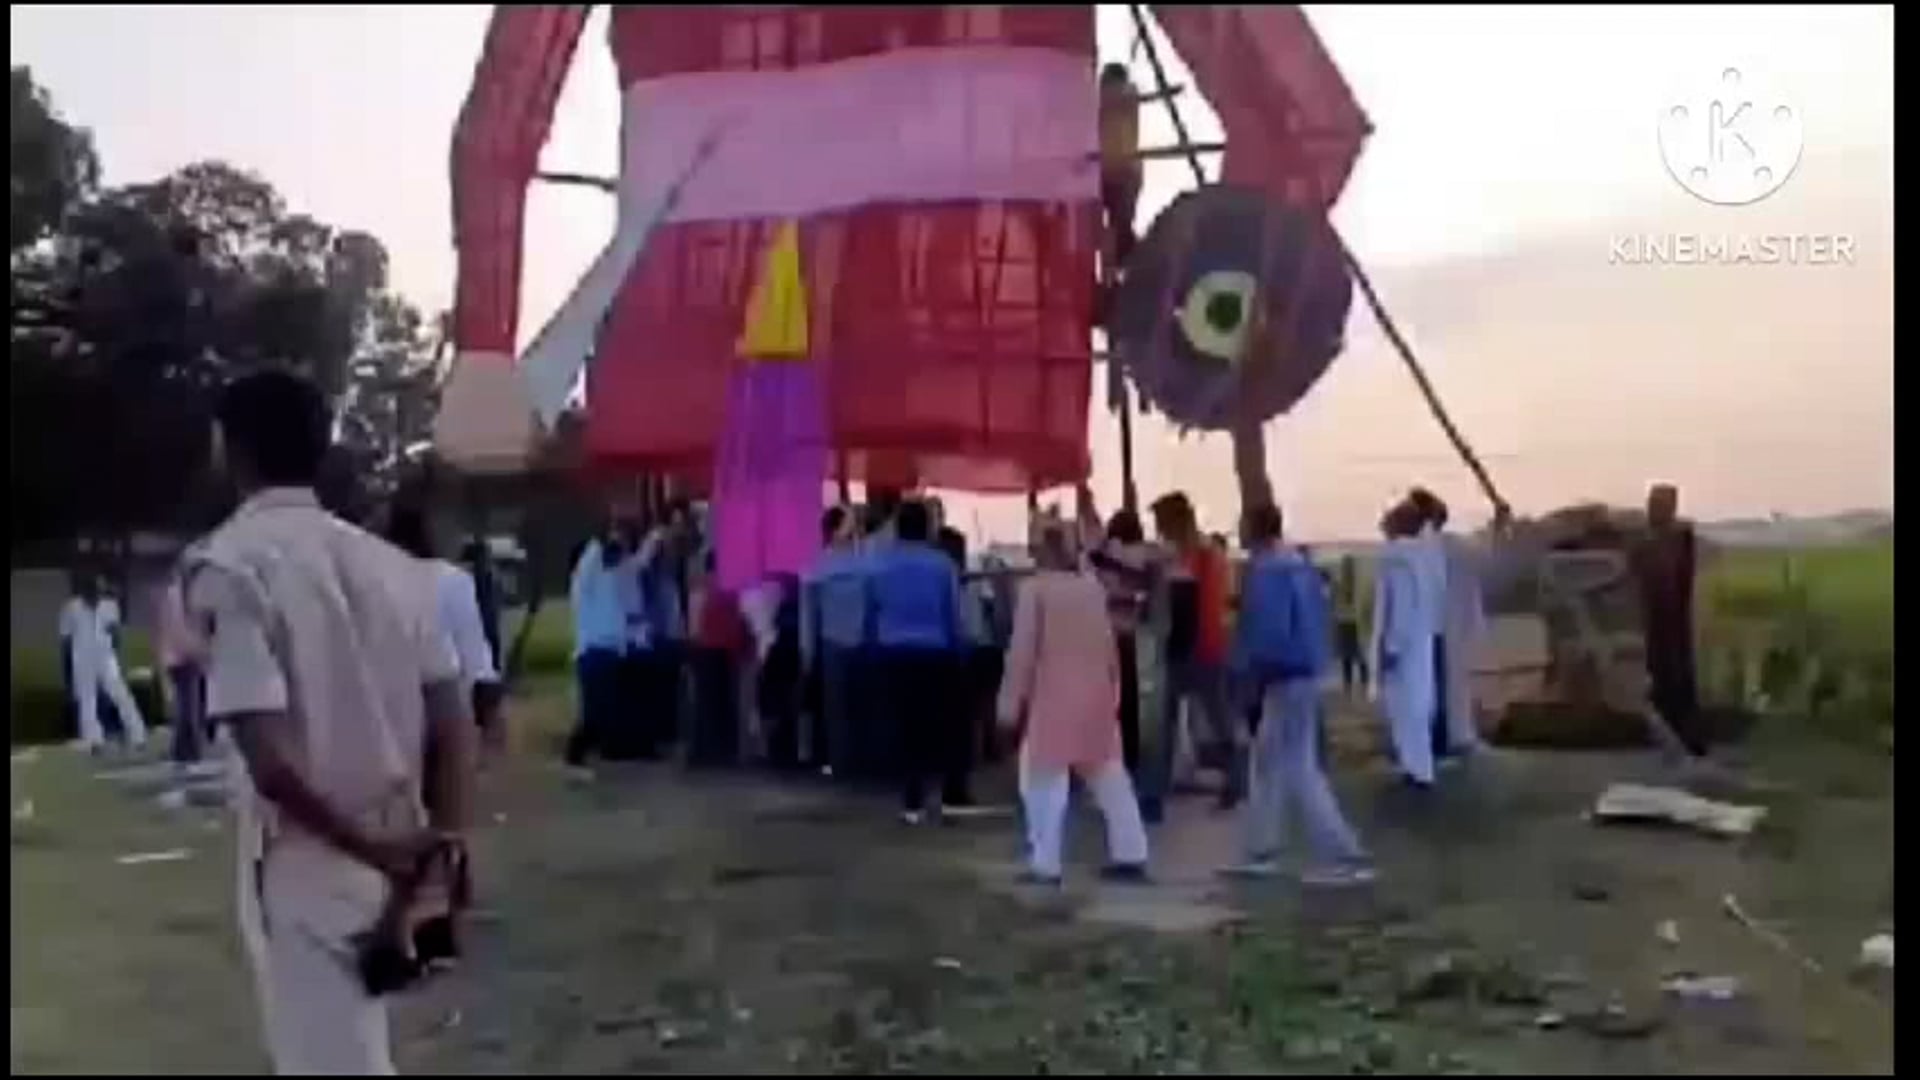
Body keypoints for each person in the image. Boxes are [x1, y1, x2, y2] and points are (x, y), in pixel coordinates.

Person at [182, 370, 475, 1075]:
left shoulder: (230, 565)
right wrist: (439, 847)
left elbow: (270, 765)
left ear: (233, 448)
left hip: (312, 856)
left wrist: (375, 851)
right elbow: (454, 723)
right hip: (403, 843)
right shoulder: (393, 567)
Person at [1221, 503, 1372, 885]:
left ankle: (1342, 854)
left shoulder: (1265, 573)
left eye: (1243, 523)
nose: (1239, 530)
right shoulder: (1299, 567)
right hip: (1304, 671)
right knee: (1272, 764)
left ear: (1255, 528)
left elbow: (1264, 633)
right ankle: (1263, 849)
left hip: (1282, 675)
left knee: (1296, 767)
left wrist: (1244, 674)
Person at [997, 519, 1150, 885]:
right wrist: (1113, 694)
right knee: (1109, 777)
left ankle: (1045, 862)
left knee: (1042, 781)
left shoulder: (1035, 591)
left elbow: (1022, 653)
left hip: (1053, 699)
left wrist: (1009, 705)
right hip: (1096, 698)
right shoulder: (1092, 588)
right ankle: (1131, 851)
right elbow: (1110, 648)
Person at [866, 499, 972, 823]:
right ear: (927, 529)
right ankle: (939, 794)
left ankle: (910, 798)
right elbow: (953, 613)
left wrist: (873, 646)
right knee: (937, 725)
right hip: (935, 652)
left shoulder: (880, 564)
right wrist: (960, 650)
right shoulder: (942, 565)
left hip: (893, 651)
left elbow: (871, 610)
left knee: (903, 725)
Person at [1140, 491, 1243, 823]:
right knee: (1190, 722)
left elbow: (1199, 607)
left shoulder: (1194, 557)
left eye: (1160, 520)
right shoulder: (1198, 554)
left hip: (1196, 649)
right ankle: (1156, 794)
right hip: (1194, 648)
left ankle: (1235, 779)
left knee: (1196, 721)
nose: (1157, 527)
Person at [386, 505, 505, 751]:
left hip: (389, 705)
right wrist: (490, 712)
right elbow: (474, 654)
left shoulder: (374, 577)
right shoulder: (450, 579)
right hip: (442, 700)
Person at [1631, 483, 1706, 757]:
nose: (1652, 509)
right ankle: (1678, 738)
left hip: (1671, 617)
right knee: (1664, 678)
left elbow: (1674, 577)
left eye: (1658, 504)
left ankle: (1684, 739)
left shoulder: (1676, 539)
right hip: (1659, 619)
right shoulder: (1652, 541)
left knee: (1674, 678)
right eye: (1652, 503)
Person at [1370, 500, 1437, 788]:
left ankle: (1417, 770)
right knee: (1415, 706)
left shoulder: (1397, 560)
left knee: (1406, 708)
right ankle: (1416, 767)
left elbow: (1400, 608)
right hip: (1419, 641)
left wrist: (1392, 647)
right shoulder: (1422, 558)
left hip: (1403, 645)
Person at [801, 506, 870, 780]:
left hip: (844, 642)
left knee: (844, 707)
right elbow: (809, 613)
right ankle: (845, 763)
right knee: (842, 708)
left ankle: (846, 763)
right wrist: (807, 650)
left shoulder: (857, 561)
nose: (855, 529)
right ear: (834, 530)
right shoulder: (825, 564)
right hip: (842, 642)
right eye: (849, 524)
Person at [60, 570, 148, 753]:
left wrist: (116, 657)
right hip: (82, 659)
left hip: (105, 658)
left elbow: (116, 635)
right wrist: (67, 668)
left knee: (121, 695)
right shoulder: (71, 608)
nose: (96, 595)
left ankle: (138, 735)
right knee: (87, 700)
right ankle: (94, 741)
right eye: (92, 592)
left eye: (99, 591)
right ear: (84, 591)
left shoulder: (110, 607)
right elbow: (66, 640)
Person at [565, 522, 631, 768]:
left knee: (606, 709)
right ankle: (575, 754)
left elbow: (630, 565)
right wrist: (601, 541)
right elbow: (592, 560)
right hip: (593, 653)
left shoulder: (606, 579)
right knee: (595, 712)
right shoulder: (584, 581)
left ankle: (603, 750)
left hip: (608, 651)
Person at [156, 565, 212, 767]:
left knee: (187, 705)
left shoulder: (179, 595)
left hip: (181, 655)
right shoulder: (177, 597)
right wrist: (197, 651)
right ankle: (189, 750)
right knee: (189, 706)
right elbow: (178, 629)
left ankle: (183, 749)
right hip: (182, 657)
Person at [1333, 554, 1369, 694]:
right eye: (1346, 567)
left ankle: (1361, 684)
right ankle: (1350, 685)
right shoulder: (1340, 585)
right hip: (1347, 621)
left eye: (1349, 567)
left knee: (1358, 656)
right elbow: (1336, 604)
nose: (1347, 570)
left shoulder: (1357, 585)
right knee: (1349, 657)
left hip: (1353, 622)